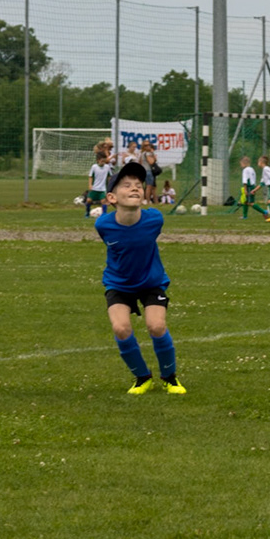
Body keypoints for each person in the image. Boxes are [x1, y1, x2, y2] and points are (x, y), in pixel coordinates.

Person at [96, 161, 185, 395]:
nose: (135, 188)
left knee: (156, 326)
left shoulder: (154, 219)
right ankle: (142, 377)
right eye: (126, 185)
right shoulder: (103, 224)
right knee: (121, 328)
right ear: (112, 197)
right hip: (118, 283)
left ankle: (170, 377)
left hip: (151, 282)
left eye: (138, 185)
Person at [85, 148, 114, 217]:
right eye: (101, 160)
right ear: (98, 160)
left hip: (102, 189)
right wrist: (90, 185)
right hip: (94, 188)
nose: (103, 161)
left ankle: (104, 214)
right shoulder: (94, 167)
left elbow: (109, 177)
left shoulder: (107, 167)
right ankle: (87, 213)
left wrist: (110, 184)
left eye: (104, 160)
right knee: (89, 200)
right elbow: (90, 176)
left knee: (103, 201)